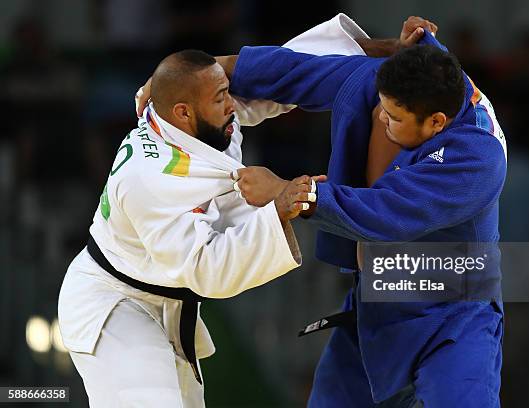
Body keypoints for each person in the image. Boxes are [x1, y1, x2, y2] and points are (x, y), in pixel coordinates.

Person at [136, 15, 506, 407]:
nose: (381, 117)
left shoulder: (477, 157)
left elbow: (385, 212)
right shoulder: (394, 79)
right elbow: (298, 72)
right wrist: (202, 73)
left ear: (436, 123)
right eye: (382, 108)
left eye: (394, 118)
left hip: (452, 310)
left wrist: (288, 192)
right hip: (375, 298)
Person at [58, 50, 315, 408]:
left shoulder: (187, 121)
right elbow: (208, 270)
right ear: (183, 112)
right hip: (115, 303)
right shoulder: (149, 179)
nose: (232, 105)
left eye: (227, 92)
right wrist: (277, 210)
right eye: (221, 97)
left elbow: (276, 77)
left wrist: (373, 55)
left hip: (164, 300)